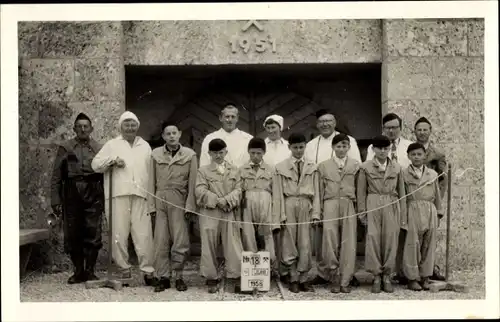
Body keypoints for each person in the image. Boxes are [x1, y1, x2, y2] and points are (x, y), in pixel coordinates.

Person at [91, 111, 156, 285]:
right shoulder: (112, 145)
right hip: (117, 194)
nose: (130, 127)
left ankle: (148, 271)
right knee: (118, 233)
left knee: (144, 234)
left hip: (141, 194)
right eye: (126, 124)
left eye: (133, 124)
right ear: (120, 126)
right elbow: (95, 164)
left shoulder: (145, 146)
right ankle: (123, 269)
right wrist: (112, 160)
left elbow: (151, 171)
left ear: (138, 126)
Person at [304, 109, 361, 287]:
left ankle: (347, 275)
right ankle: (326, 273)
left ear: (335, 122)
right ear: (317, 124)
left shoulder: (349, 140)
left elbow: (356, 173)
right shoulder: (312, 144)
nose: (325, 124)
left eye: (328, 121)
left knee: (347, 240)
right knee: (326, 239)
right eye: (321, 121)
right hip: (325, 197)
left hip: (346, 199)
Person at [50, 113, 104, 284]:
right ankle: (78, 271)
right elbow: (56, 176)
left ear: (91, 129)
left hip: (93, 191)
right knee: (74, 233)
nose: (82, 129)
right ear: (74, 129)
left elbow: (105, 175)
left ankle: (90, 271)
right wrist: (55, 200)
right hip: (72, 193)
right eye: (79, 126)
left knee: (93, 232)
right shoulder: (65, 147)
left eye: (86, 126)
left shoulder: (99, 148)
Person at [365, 113, 412, 285]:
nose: (391, 131)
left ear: (400, 128)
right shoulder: (373, 148)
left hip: (402, 195)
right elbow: (369, 172)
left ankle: (397, 273)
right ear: (383, 128)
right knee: (375, 237)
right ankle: (378, 274)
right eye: (388, 128)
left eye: (395, 127)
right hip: (377, 196)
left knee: (395, 237)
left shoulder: (408, 146)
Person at [357, 135, 407, 294]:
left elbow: (402, 193)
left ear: (390, 149)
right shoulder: (365, 167)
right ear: (373, 149)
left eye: (386, 148)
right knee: (373, 239)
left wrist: (403, 214)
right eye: (379, 148)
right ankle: (376, 275)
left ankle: (387, 275)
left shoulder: (397, 168)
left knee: (390, 239)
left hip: (391, 203)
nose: (383, 151)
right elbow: (361, 192)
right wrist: (362, 212)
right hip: (373, 202)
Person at [150, 123, 197, 292]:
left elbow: (193, 183)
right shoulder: (155, 155)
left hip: (179, 200)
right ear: (163, 136)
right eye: (167, 133)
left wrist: (190, 206)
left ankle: (179, 276)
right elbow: (151, 181)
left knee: (180, 240)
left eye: (174, 133)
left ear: (180, 134)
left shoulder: (190, 155)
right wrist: (151, 206)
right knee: (160, 240)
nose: (171, 136)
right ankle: (162, 277)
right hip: (160, 199)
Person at [195, 138, 244, 294]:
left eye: (221, 152)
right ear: (209, 153)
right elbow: (200, 191)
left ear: (226, 152)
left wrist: (226, 201)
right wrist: (217, 201)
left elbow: (239, 190)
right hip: (210, 212)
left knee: (232, 243)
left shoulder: (235, 170)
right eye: (215, 153)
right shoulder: (203, 171)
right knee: (209, 244)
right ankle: (211, 277)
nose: (218, 156)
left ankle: (235, 276)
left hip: (228, 211)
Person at [273, 132, 321, 293]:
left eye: (301, 147)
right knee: (289, 243)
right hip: (289, 204)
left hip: (305, 205)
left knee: (305, 243)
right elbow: (278, 194)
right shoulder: (280, 167)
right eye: (295, 147)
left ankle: (304, 278)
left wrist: (316, 213)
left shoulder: (312, 166)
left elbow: (317, 192)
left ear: (305, 146)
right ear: (289, 147)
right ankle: (293, 277)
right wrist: (280, 214)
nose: (299, 150)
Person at [317, 133, 361, 294]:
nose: (341, 149)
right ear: (333, 147)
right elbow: (319, 190)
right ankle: (333, 276)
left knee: (348, 243)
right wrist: (319, 210)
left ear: (349, 147)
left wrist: (359, 209)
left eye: (344, 146)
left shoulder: (356, 165)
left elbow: (360, 188)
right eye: (338, 146)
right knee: (329, 241)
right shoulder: (323, 166)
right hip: (330, 204)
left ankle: (345, 279)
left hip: (349, 204)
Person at [402, 143, 444, 291]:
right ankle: (412, 278)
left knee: (429, 243)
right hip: (412, 209)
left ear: (425, 156)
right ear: (408, 156)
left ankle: (425, 277)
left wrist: (439, 212)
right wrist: (403, 217)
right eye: (413, 154)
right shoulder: (404, 174)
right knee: (412, 244)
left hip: (429, 209)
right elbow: (402, 196)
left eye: (419, 154)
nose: (416, 157)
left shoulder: (432, 174)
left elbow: (437, 194)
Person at [414, 116, 448, 281]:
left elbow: (442, 181)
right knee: (413, 238)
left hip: (430, 201)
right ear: (415, 132)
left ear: (430, 131)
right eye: (419, 130)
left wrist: (438, 204)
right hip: (414, 200)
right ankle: (411, 272)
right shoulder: (410, 149)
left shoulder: (437, 154)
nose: (422, 132)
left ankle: (429, 269)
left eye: (425, 129)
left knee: (429, 237)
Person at [239, 138, 279, 272]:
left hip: (265, 204)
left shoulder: (271, 170)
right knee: (248, 234)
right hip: (248, 204)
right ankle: (252, 269)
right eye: (252, 153)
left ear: (264, 153)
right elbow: (239, 189)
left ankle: (268, 268)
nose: (255, 156)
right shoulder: (242, 169)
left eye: (258, 153)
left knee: (266, 234)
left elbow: (276, 192)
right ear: (248, 152)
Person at [199, 104, 253, 168]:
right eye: (227, 117)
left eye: (233, 117)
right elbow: (204, 165)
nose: (230, 120)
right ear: (220, 118)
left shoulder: (248, 139)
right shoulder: (210, 138)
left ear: (237, 118)